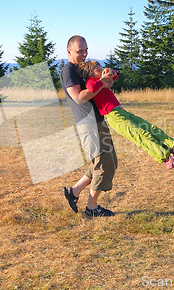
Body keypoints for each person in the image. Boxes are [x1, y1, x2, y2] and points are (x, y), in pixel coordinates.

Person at [79, 60, 174, 169]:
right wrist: (103, 80)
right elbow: (92, 88)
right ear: (90, 73)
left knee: (149, 128)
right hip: (113, 117)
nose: (101, 71)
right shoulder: (92, 82)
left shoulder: (102, 81)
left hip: (121, 111)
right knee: (141, 135)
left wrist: (113, 73)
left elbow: (116, 75)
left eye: (100, 68)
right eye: (97, 69)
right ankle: (167, 159)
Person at [60, 36, 118, 217]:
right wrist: (101, 83)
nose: (84, 54)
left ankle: (74, 192)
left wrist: (106, 81)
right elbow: (78, 98)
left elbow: (95, 89)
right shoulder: (69, 71)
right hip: (87, 123)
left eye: (86, 50)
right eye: (79, 51)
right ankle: (92, 208)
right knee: (102, 163)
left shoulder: (83, 69)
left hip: (98, 120)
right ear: (69, 51)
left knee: (109, 161)